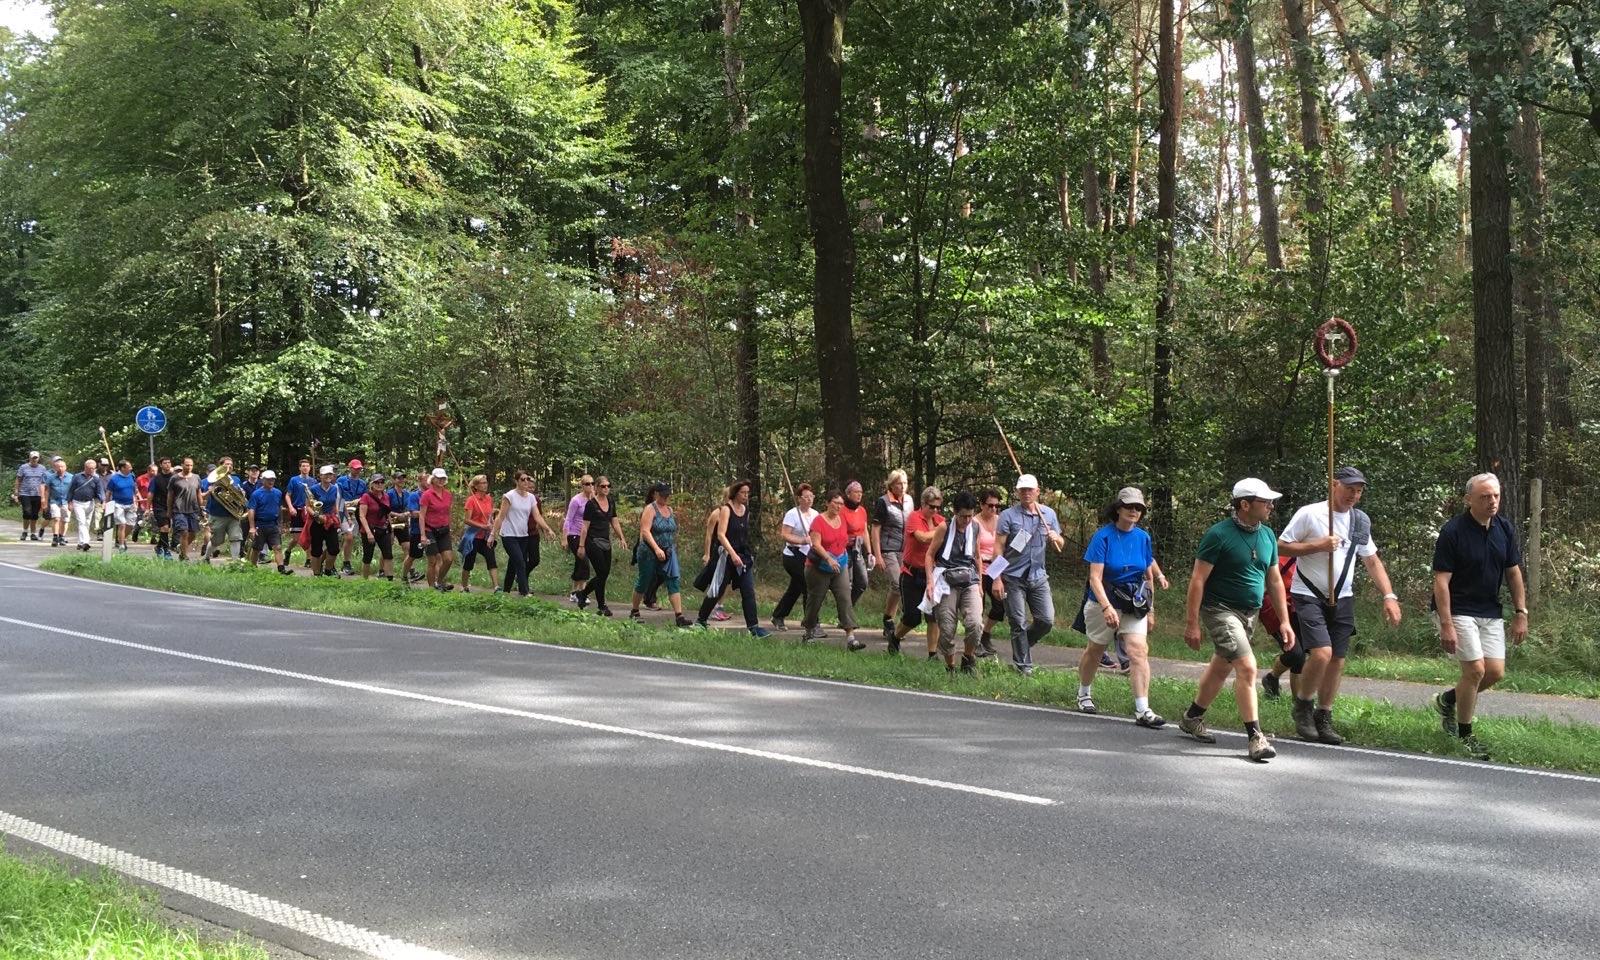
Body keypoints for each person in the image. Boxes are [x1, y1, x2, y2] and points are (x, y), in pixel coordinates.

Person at [1266, 466, 1403, 745]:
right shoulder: (1310, 513)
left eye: (1359, 490)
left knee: (1337, 659)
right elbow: (1280, 547)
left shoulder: (1359, 522)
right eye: (1350, 488)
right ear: (1334, 484)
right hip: (1307, 594)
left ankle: (1324, 715)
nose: (1354, 494)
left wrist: (1389, 596)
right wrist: (1317, 546)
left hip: (1343, 596)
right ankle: (1303, 706)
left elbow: (1372, 560)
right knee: (1322, 653)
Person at [1179, 478, 1297, 762]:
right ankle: (1256, 737)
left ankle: (1192, 717)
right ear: (1244, 504)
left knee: (1221, 667)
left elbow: (1274, 580)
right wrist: (1192, 623)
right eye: (1265, 501)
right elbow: (1197, 580)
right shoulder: (1218, 535)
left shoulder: (1268, 534)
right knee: (1247, 666)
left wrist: (1284, 620)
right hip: (1219, 609)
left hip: (1249, 614)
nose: (1271, 505)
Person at [1430, 473, 1528, 761]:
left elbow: (1513, 572)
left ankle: (1447, 700)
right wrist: (1446, 624)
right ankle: (1465, 735)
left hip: (1489, 610)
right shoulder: (1453, 531)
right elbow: (1441, 581)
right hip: (1458, 609)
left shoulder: (1504, 529)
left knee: (1495, 671)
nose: (1492, 501)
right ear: (1468, 499)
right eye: (1485, 496)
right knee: (1475, 671)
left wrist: (1521, 612)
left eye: (1495, 495)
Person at [1073, 487, 1167, 728]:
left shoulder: (1143, 538)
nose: (1134, 511)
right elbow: (1095, 577)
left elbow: (1148, 576)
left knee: (1138, 651)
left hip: (1134, 604)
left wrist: (1151, 609)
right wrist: (1106, 608)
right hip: (1103, 601)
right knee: (1096, 649)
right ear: (1118, 509)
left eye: (1139, 508)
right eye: (1129, 507)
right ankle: (1084, 694)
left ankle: (1142, 709)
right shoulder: (1102, 536)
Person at [992, 474, 1066, 675]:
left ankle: (1023, 646)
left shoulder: (1048, 515)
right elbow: (998, 548)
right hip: (1012, 577)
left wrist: (1055, 538)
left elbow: (1060, 543)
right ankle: (1024, 667)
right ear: (1017, 492)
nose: (1026, 493)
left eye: (1030, 489)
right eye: (1022, 490)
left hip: (1038, 576)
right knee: (1018, 622)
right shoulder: (1008, 516)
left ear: (1037, 491)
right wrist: (996, 578)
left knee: (1046, 620)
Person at [694, 480, 770, 637]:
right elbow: (721, 535)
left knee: (748, 590)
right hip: (726, 556)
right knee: (718, 589)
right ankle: (701, 620)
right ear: (735, 493)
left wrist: (744, 555)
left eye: (748, 493)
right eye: (743, 493)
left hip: (742, 557)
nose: (746, 496)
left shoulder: (745, 510)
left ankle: (753, 627)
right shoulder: (726, 510)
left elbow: (743, 534)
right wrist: (732, 554)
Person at [926, 490, 983, 674]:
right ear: (955, 512)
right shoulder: (944, 527)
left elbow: (977, 556)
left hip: (969, 579)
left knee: (975, 623)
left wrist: (980, 584)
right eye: (963, 516)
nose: (967, 520)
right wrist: (930, 582)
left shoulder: (975, 527)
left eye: (970, 516)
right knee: (947, 626)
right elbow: (929, 555)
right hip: (946, 580)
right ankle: (950, 666)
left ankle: (968, 659)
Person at [889, 486, 946, 657]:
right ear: (923, 504)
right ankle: (895, 637)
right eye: (931, 507)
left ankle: (932, 653)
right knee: (912, 617)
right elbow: (921, 537)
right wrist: (940, 530)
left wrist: (940, 528)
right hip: (911, 574)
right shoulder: (914, 517)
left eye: (937, 507)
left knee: (933, 616)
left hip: (931, 575)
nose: (935, 510)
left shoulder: (939, 520)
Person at [802, 489, 862, 650]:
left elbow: (844, 539)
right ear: (827, 503)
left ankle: (851, 638)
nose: (838, 506)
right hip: (818, 567)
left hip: (839, 565)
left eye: (841, 504)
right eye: (835, 503)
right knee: (816, 600)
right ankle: (808, 631)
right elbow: (816, 544)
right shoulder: (818, 521)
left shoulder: (842, 519)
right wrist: (828, 558)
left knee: (844, 597)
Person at [630, 482, 692, 626]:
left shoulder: (670, 509)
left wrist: (669, 547)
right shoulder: (650, 509)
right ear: (656, 494)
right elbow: (645, 531)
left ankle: (679, 616)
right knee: (644, 580)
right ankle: (634, 610)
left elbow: (671, 529)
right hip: (649, 552)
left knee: (673, 580)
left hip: (668, 551)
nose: (666, 497)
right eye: (663, 494)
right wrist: (657, 549)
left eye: (667, 494)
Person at [490, 471, 556, 597]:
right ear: (516, 481)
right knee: (520, 562)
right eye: (522, 479)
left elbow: (537, 516)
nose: (526, 482)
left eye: (527, 479)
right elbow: (500, 517)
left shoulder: (531, 498)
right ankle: (525, 592)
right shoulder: (509, 496)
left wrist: (548, 529)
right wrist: (493, 534)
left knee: (513, 564)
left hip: (523, 535)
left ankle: (505, 592)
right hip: (508, 535)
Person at [770, 483, 818, 633]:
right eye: (806, 497)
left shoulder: (815, 514)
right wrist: (802, 540)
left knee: (795, 588)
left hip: (808, 555)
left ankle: (778, 615)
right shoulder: (792, 514)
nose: (809, 499)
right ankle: (811, 623)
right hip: (792, 555)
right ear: (799, 499)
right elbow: (785, 534)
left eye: (811, 496)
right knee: (807, 586)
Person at [575, 475, 626, 614]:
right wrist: (581, 545)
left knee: (604, 574)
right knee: (602, 572)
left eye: (608, 486)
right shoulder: (591, 504)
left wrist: (621, 538)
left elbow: (614, 521)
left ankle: (583, 593)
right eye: (603, 486)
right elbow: (585, 526)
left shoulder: (611, 501)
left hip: (605, 542)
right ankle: (601, 605)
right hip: (592, 541)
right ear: (596, 487)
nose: (606, 488)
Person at [870, 470, 911, 640]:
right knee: (897, 584)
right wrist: (877, 555)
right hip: (888, 549)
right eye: (898, 484)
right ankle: (888, 620)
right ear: (891, 485)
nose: (902, 487)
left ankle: (892, 620)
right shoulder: (883, 502)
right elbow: (875, 529)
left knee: (903, 586)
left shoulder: (909, 501)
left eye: (905, 483)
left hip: (905, 549)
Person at [974, 488, 1004, 658]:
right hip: (979, 566)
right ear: (981, 505)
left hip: (996, 567)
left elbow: (1003, 546)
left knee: (1000, 607)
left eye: (996, 506)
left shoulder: (1000, 520)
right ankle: (975, 640)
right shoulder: (975, 522)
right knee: (979, 607)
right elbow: (976, 552)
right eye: (990, 505)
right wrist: (978, 580)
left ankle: (986, 633)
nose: (993, 509)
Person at [459, 474, 499, 593]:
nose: (485, 485)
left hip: (486, 536)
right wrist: (482, 526)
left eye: (486, 482)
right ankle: (464, 586)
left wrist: (492, 526)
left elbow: (489, 516)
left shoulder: (488, 499)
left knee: (491, 559)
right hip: (474, 536)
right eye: (482, 483)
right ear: (476, 486)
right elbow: (467, 520)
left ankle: (496, 587)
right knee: (469, 562)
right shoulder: (471, 500)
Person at [200, 456, 245, 561]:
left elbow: (240, 495)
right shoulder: (211, 479)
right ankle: (206, 558)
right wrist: (209, 491)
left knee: (236, 538)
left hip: (233, 515)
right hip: (217, 514)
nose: (229, 466)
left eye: (231, 465)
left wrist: (242, 493)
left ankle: (235, 562)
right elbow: (202, 496)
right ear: (221, 466)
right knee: (217, 541)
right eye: (226, 464)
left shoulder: (236, 479)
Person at [418, 467, 456, 590]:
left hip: (443, 529)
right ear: (433, 479)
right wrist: (423, 535)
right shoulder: (427, 495)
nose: (441, 480)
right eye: (438, 478)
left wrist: (449, 526)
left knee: (448, 559)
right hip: (430, 530)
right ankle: (431, 588)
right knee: (432, 561)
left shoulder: (448, 494)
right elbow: (422, 515)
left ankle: (439, 581)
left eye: (443, 478)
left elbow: (448, 512)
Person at [246, 469, 289, 571]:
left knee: (277, 547)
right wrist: (252, 527)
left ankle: (281, 569)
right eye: (269, 479)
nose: (271, 482)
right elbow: (251, 510)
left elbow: (279, 509)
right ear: (263, 480)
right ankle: (252, 567)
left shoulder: (278, 493)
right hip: (260, 524)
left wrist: (280, 524)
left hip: (273, 524)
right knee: (256, 548)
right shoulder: (256, 494)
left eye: (273, 480)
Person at [356, 473, 396, 580]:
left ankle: (390, 581)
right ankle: (365, 580)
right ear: (372, 484)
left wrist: (391, 531)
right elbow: (362, 516)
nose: (379, 484)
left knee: (388, 554)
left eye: (382, 482)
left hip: (383, 529)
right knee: (368, 556)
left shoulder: (386, 496)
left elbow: (387, 514)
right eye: (376, 482)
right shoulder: (366, 497)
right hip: (369, 529)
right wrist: (368, 532)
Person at [307, 465, 344, 576]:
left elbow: (335, 504)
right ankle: (317, 574)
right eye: (326, 474)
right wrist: (316, 515)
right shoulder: (313, 489)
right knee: (316, 550)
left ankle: (328, 570)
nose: (329, 476)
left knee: (334, 548)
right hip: (317, 521)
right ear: (321, 476)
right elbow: (308, 506)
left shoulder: (335, 488)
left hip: (330, 520)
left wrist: (338, 518)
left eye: (330, 474)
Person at [166, 458, 204, 561]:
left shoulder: (196, 477)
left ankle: (181, 548)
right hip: (179, 510)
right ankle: (184, 556)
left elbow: (198, 493)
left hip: (193, 509)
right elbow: (170, 495)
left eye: (191, 465)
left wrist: (202, 507)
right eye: (187, 465)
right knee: (184, 532)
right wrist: (169, 510)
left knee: (193, 533)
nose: (189, 467)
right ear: (182, 465)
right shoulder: (174, 478)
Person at [281, 458, 314, 569]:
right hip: (297, 510)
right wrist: (290, 507)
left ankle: (309, 559)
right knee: (297, 538)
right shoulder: (294, 480)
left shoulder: (313, 481)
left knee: (309, 536)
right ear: (300, 468)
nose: (305, 468)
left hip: (308, 511)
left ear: (310, 468)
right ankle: (288, 551)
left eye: (307, 466)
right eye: (303, 466)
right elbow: (287, 495)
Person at [564, 475, 593, 602]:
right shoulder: (576, 500)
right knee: (584, 562)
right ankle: (582, 593)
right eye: (587, 484)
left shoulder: (594, 500)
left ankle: (574, 592)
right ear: (582, 486)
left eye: (592, 483)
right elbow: (568, 519)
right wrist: (564, 538)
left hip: (588, 536)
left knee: (579, 563)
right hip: (574, 534)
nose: (590, 486)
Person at [842, 480, 871, 605]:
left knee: (862, 582)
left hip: (858, 549)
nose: (859, 495)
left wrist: (869, 552)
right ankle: (845, 615)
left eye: (861, 492)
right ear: (848, 494)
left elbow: (865, 531)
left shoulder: (862, 511)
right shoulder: (841, 510)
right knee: (847, 583)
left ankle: (848, 608)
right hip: (845, 549)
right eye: (856, 492)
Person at [67, 458, 105, 552]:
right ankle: (86, 542)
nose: (92, 470)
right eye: (90, 468)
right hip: (78, 502)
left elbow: (100, 491)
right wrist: (69, 502)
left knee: (87, 523)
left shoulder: (96, 479)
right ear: (85, 467)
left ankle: (80, 543)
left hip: (90, 503)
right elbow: (71, 489)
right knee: (82, 522)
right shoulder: (77, 477)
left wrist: (103, 501)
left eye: (93, 468)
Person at [337, 459, 368, 575]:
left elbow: (365, 497)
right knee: (347, 537)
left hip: (355, 512)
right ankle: (341, 563)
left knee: (350, 538)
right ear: (349, 468)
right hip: (341, 511)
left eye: (359, 468)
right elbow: (337, 496)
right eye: (355, 468)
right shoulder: (341, 480)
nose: (357, 470)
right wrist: (344, 507)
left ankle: (346, 563)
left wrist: (358, 501)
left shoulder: (363, 483)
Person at [12, 451, 50, 542]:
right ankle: (25, 531)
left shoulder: (42, 468)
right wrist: (16, 491)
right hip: (25, 493)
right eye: (33, 458)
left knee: (34, 514)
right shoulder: (23, 467)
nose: (34, 459)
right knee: (27, 512)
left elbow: (45, 482)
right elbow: (18, 479)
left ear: (38, 458)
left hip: (37, 494)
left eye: (36, 458)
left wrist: (45, 494)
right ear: (29, 458)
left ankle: (33, 533)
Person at [400, 471, 429, 584]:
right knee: (412, 555)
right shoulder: (414, 495)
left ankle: (437, 581)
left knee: (435, 556)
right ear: (420, 481)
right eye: (426, 479)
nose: (429, 482)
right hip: (417, 530)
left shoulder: (432, 495)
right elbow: (413, 513)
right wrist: (428, 513)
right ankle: (404, 576)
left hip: (431, 530)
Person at [103, 460, 138, 552]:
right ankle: (121, 545)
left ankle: (121, 538)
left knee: (131, 524)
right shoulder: (114, 478)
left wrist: (135, 500)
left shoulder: (132, 476)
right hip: (118, 504)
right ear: (122, 468)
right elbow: (108, 492)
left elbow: (134, 489)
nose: (131, 468)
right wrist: (106, 503)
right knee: (122, 524)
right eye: (129, 467)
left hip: (130, 503)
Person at [148, 458, 174, 558]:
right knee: (165, 527)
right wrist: (148, 508)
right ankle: (166, 550)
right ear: (161, 465)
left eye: (169, 463)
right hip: (159, 506)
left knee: (166, 530)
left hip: (172, 506)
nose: (167, 465)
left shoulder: (175, 477)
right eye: (165, 463)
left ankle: (159, 547)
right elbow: (150, 493)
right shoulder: (156, 479)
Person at [44, 457, 72, 547]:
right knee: (56, 518)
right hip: (54, 501)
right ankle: (55, 537)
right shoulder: (51, 477)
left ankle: (62, 536)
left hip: (66, 501)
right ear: (55, 468)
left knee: (65, 520)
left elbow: (74, 490)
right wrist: (45, 502)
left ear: (66, 467)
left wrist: (72, 502)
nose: (60, 469)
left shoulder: (71, 477)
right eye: (58, 467)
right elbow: (47, 490)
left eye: (62, 467)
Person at [134, 463, 156, 543]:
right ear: (148, 471)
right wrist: (140, 498)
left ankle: (154, 537)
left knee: (155, 521)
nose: (155, 473)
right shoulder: (140, 479)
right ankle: (136, 530)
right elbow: (136, 490)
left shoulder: (157, 479)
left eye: (156, 471)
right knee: (143, 520)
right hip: (143, 503)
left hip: (155, 503)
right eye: (153, 471)